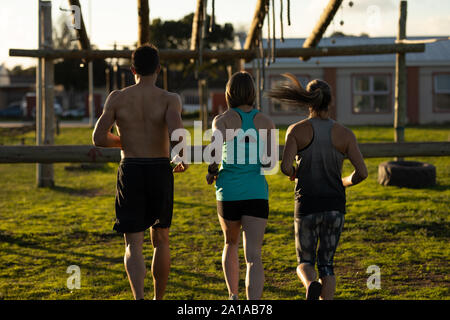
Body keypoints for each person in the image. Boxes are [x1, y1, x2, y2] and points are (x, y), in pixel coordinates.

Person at [92, 44, 188, 300]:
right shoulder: (170, 99)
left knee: (133, 243)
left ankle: (139, 299)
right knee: (162, 240)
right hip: (159, 169)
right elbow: (177, 134)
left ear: (132, 69)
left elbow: (99, 137)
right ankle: (158, 298)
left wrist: (124, 141)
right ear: (158, 69)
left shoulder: (117, 97)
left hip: (131, 168)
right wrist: (181, 156)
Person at [268, 73, 368, 300]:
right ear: (330, 102)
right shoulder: (345, 134)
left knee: (304, 262)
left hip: (306, 205)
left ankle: (310, 283)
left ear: (308, 101)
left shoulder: (296, 130)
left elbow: (284, 167)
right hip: (335, 205)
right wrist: (344, 182)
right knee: (327, 265)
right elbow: (362, 172)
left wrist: (294, 172)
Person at [206, 71, 276, 300]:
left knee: (230, 243)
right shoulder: (266, 121)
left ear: (229, 93)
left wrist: (211, 172)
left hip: (229, 192)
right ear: (253, 93)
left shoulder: (222, 120)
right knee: (254, 255)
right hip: (256, 192)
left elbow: (215, 154)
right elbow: (270, 161)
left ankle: (233, 296)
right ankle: (252, 304)